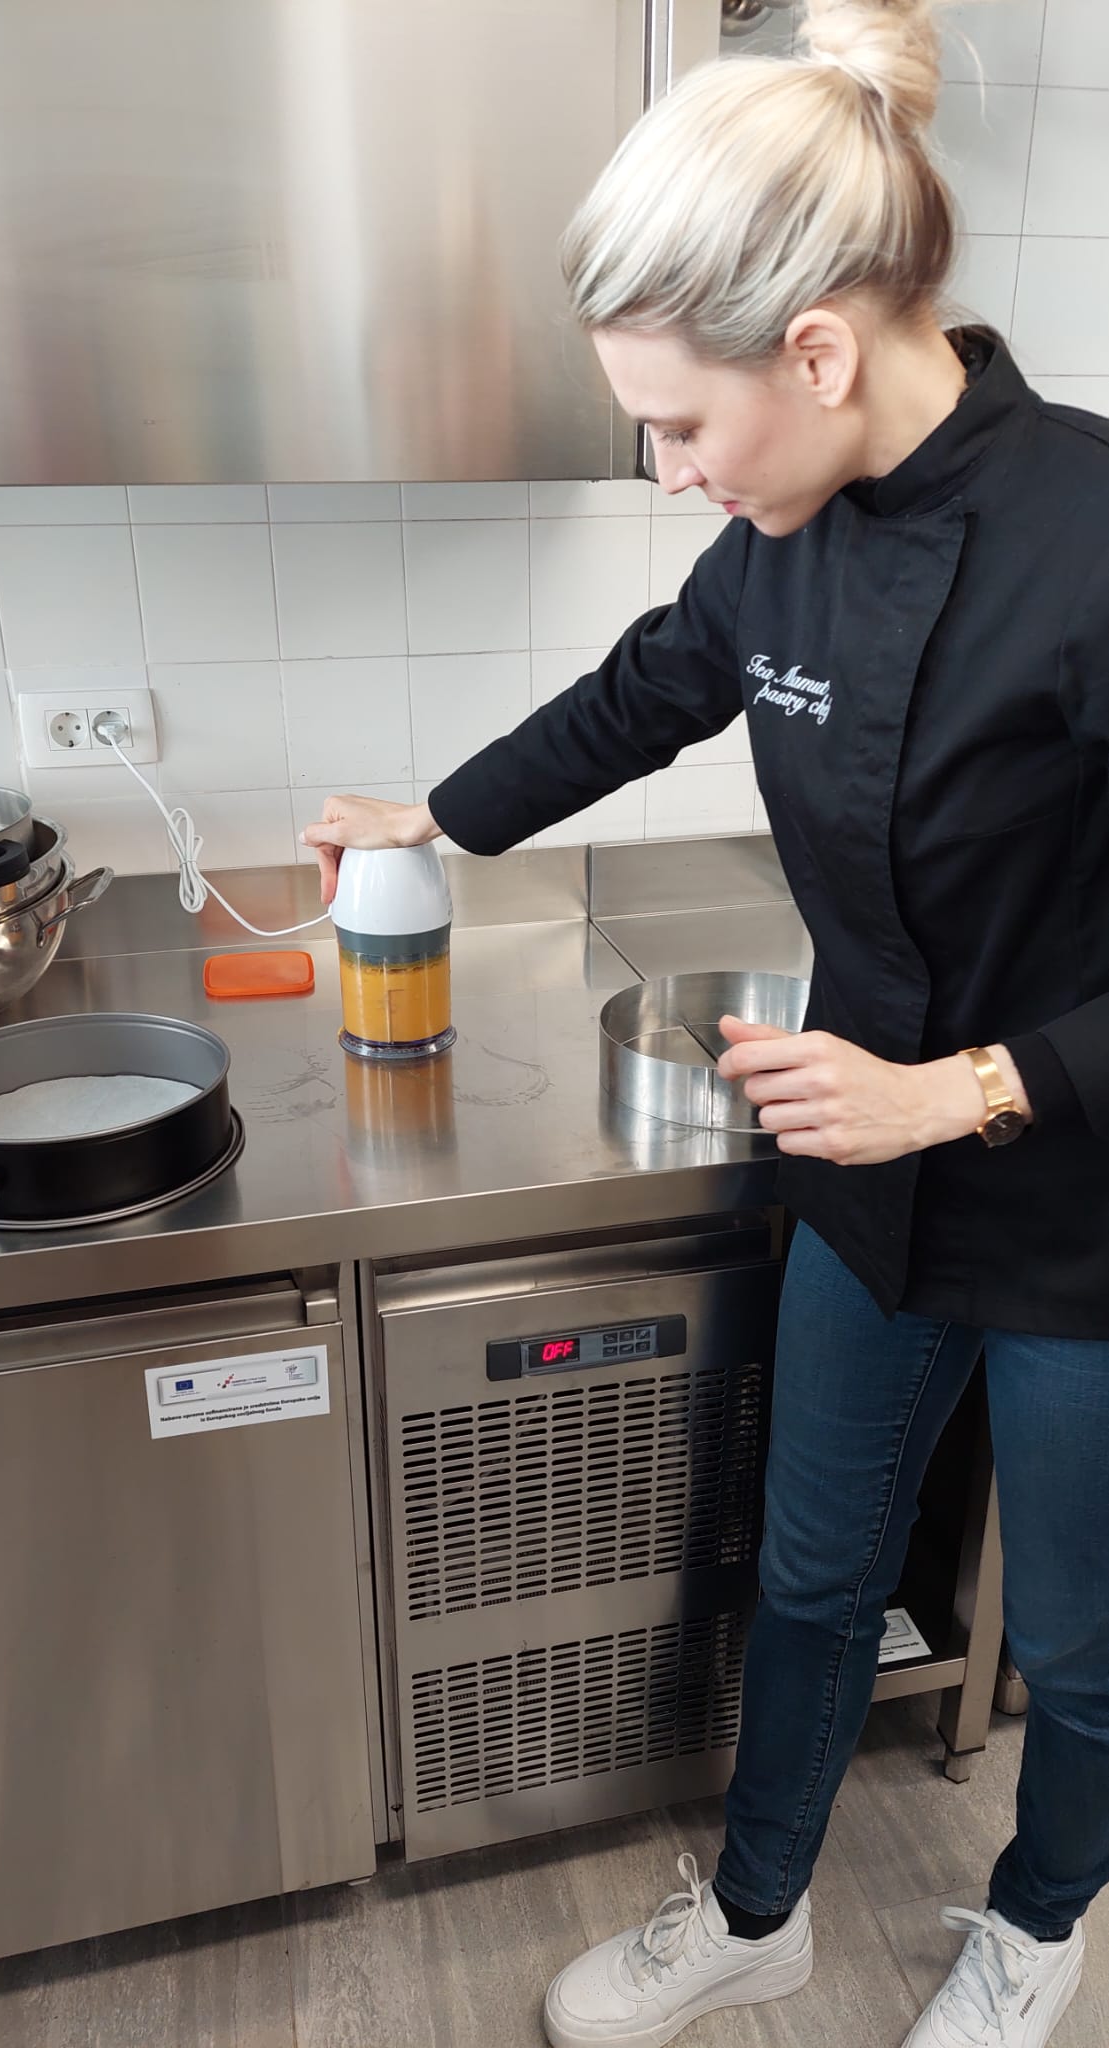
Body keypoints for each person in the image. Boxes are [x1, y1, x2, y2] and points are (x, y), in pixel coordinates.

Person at [302, 2, 1109, 2042]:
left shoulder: (1093, 538)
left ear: (815, 354)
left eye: (678, 426)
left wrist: (965, 1087)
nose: (670, 474)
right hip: (865, 1181)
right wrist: (432, 815)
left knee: (1086, 1645)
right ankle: (757, 1913)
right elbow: (645, 689)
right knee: (810, 1575)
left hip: (1084, 1200)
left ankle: (1037, 1926)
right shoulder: (779, 542)